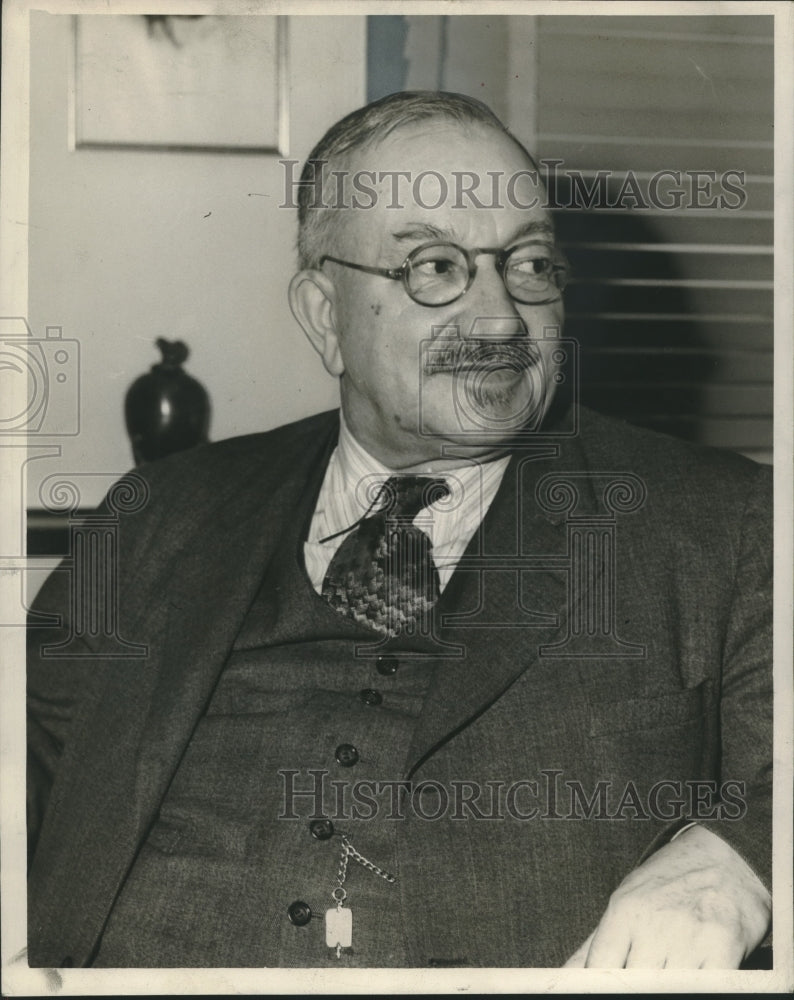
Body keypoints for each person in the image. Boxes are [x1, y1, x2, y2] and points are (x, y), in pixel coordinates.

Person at [27, 91, 772, 969]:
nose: (501, 320)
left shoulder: (723, 524)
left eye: (529, 264)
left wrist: (746, 863)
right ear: (323, 314)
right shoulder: (156, 517)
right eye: (434, 266)